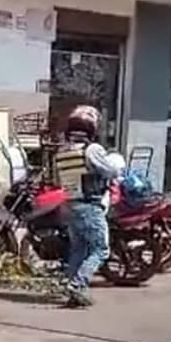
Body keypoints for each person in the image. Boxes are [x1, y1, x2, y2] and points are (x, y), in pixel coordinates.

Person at [53, 104, 122, 308]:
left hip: (69, 204)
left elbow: (58, 179)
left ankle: (73, 287)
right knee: (101, 249)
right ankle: (78, 283)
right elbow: (111, 171)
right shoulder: (92, 150)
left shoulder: (63, 151)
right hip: (90, 205)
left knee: (78, 249)